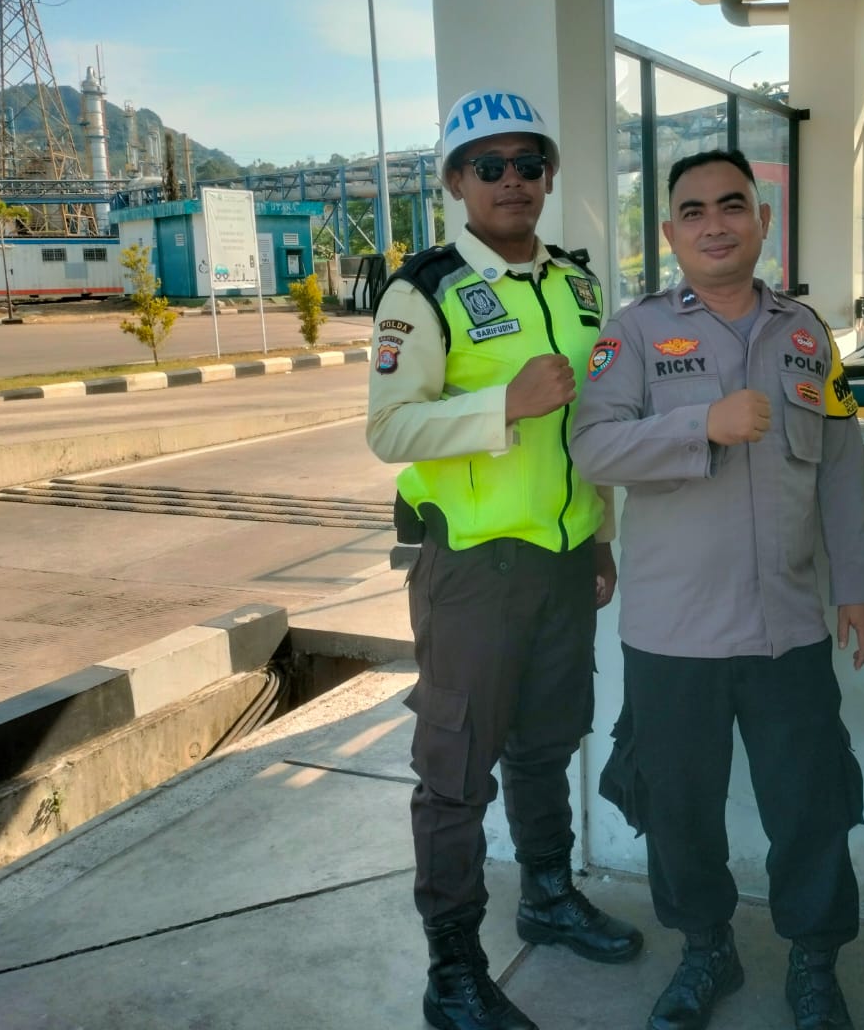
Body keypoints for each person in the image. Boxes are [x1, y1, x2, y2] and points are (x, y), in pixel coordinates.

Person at [570, 148, 864, 1030]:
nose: (715, 223)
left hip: (790, 625)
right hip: (674, 632)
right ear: (670, 233)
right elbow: (591, 448)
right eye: (695, 211)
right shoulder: (632, 333)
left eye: (732, 205)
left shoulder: (805, 334)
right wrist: (698, 424)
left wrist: (856, 587)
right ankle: (706, 949)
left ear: (761, 221)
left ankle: (814, 963)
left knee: (811, 806)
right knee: (678, 810)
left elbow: (840, 468)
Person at [367, 87, 642, 1030]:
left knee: (546, 743)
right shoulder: (424, 290)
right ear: (455, 182)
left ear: (549, 178)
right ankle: (452, 970)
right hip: (473, 573)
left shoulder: (577, 285)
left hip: (563, 562)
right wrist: (503, 406)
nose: (512, 180)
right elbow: (389, 430)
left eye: (529, 164)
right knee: (455, 773)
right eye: (489, 166)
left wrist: (597, 535)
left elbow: (593, 425)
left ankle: (548, 896)